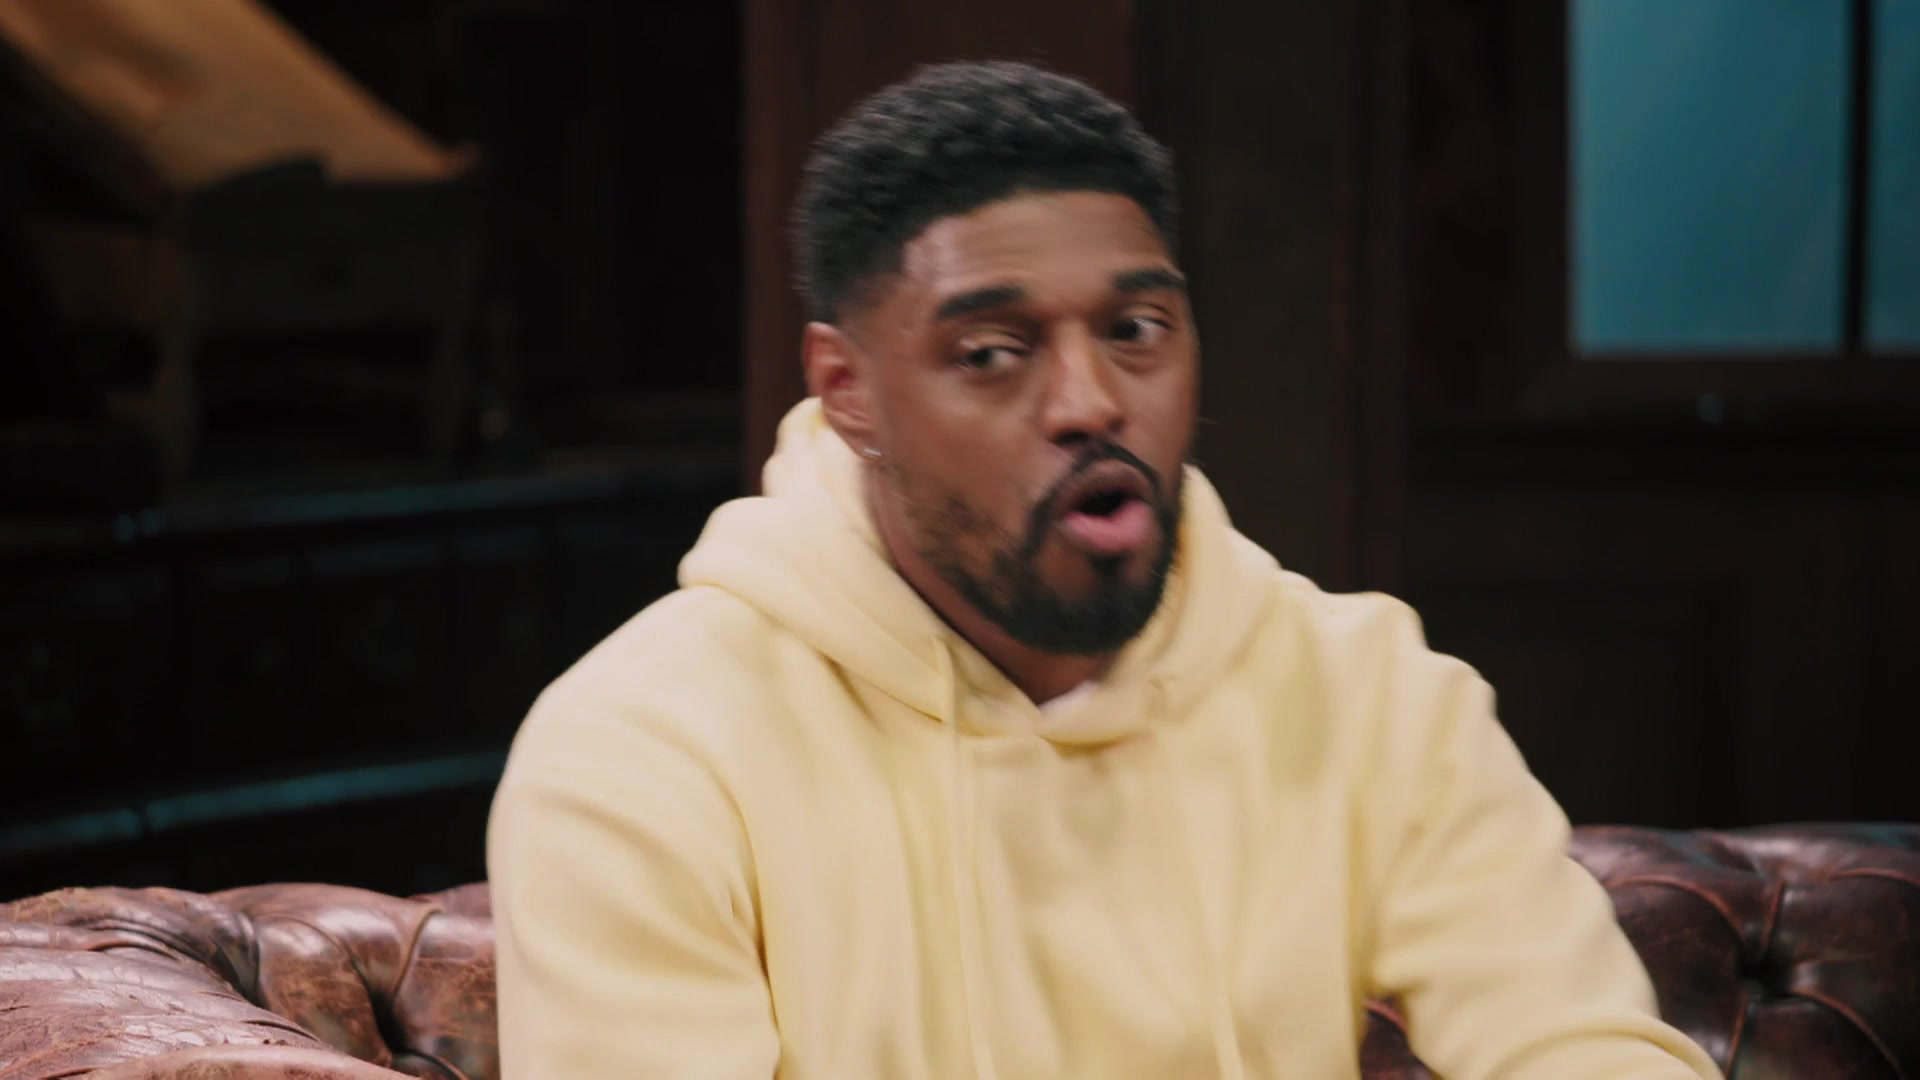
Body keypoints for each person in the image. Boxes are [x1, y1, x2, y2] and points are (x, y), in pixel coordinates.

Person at [487, 60, 1721, 1079]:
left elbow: (1581, 1050)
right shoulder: (642, 750)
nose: (1091, 402)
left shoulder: (1367, 690)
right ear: (848, 390)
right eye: (994, 351)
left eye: (1136, 331)